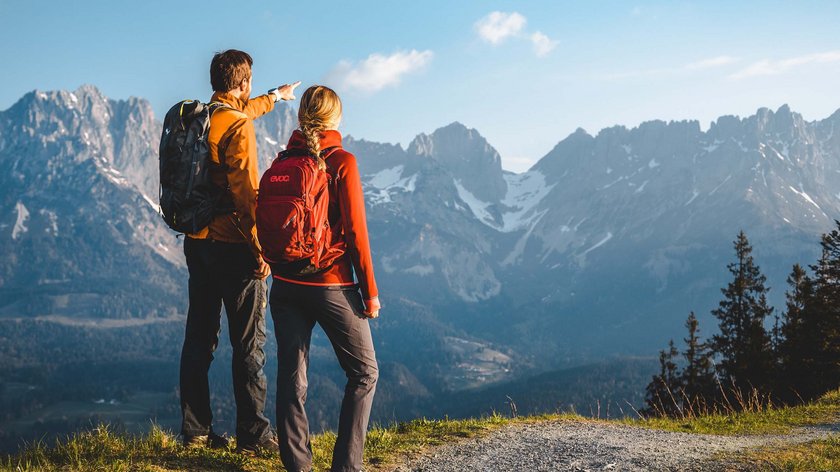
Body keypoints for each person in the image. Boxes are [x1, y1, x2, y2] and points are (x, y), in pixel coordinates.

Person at [178, 49, 300, 453]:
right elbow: (247, 197)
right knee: (249, 345)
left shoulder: (201, 117)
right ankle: (253, 434)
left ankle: (195, 431)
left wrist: (276, 96)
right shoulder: (239, 127)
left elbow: (244, 109)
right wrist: (262, 251)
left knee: (199, 337)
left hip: (197, 243)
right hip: (234, 246)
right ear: (243, 83)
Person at [269, 85, 381, 472]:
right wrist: (370, 293)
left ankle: (298, 466)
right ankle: (346, 467)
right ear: (335, 119)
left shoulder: (283, 161)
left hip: (283, 286)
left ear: (301, 118)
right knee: (365, 373)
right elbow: (356, 234)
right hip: (331, 285)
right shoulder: (342, 161)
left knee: (291, 378)